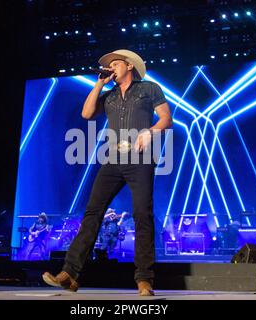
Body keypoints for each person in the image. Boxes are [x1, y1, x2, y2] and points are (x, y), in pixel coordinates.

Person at [43, 49, 172, 296]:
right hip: (112, 158)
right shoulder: (109, 95)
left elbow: (166, 119)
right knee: (92, 212)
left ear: (129, 66)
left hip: (140, 158)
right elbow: (87, 113)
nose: (111, 67)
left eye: (115, 63)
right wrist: (98, 84)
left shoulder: (149, 89)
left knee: (142, 215)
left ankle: (144, 279)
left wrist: (150, 132)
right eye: (109, 65)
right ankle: (69, 273)